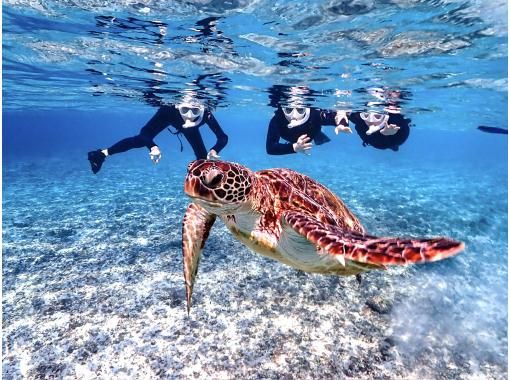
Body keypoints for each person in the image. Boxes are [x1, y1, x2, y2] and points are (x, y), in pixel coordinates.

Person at [87, 97, 228, 174]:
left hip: (189, 128)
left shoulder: (207, 115)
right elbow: (144, 134)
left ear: (203, 109)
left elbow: (222, 137)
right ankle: (101, 154)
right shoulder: (169, 110)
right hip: (171, 118)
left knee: (203, 159)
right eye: (185, 110)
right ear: (178, 106)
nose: (189, 116)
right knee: (140, 141)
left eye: (195, 110)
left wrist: (215, 150)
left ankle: (204, 193)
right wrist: (152, 147)